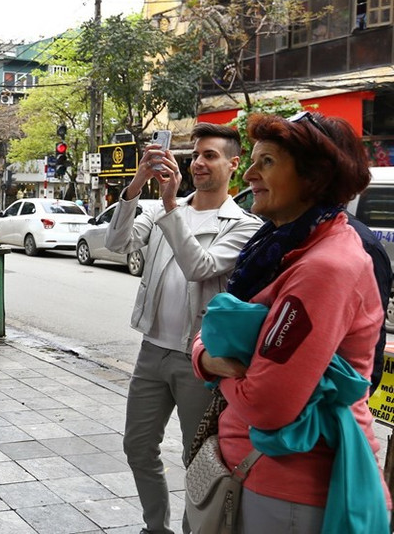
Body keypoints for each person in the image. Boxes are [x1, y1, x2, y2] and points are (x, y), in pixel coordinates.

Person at [192, 112, 391, 531]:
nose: (248, 174)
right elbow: (213, 331)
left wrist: (217, 365)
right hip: (261, 477)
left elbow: (269, 405)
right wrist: (210, 360)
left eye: (266, 162)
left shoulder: (326, 266)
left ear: (313, 177)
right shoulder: (282, 246)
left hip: (288, 495)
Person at [104, 122, 261, 534]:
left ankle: (196, 530)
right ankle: (156, 527)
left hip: (201, 359)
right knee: (137, 446)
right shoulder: (159, 210)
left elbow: (200, 267)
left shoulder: (243, 225)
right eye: (197, 156)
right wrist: (137, 183)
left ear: (233, 163)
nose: (201, 164)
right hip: (152, 351)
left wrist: (172, 206)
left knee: (200, 459)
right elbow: (117, 243)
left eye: (211, 156)